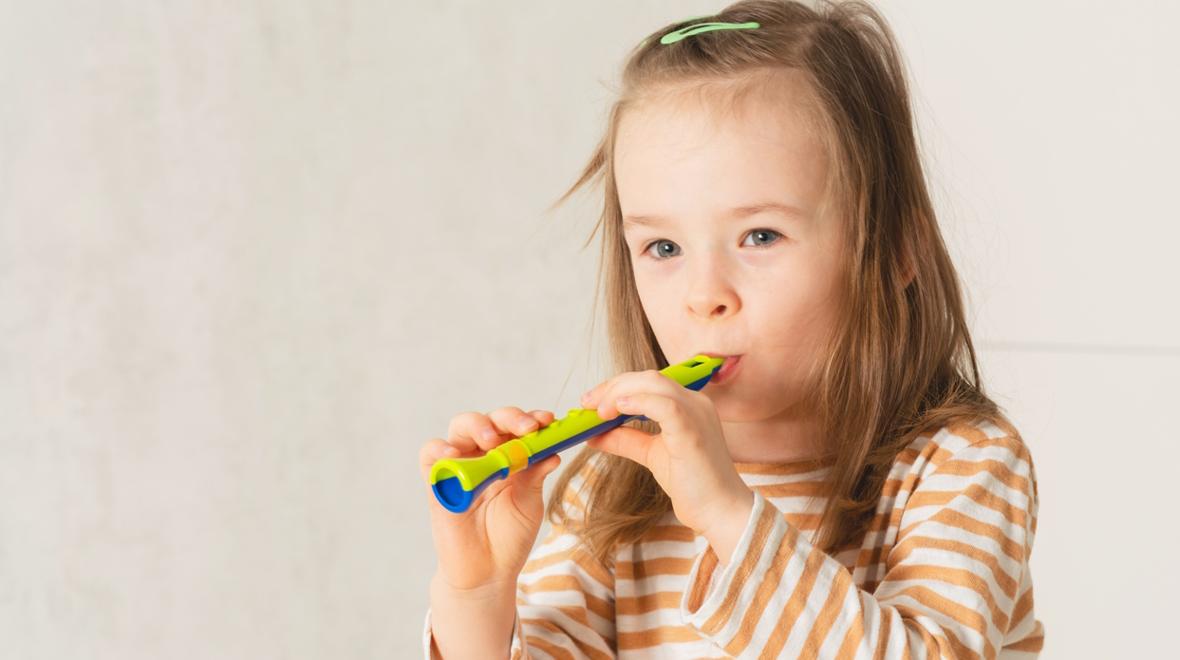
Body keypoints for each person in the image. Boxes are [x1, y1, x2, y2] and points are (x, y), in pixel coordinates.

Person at [418, 0, 1044, 657]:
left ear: (893, 251)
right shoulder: (614, 491)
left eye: (760, 235)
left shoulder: (961, 465)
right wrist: (475, 597)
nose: (704, 296)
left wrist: (726, 515)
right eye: (664, 248)